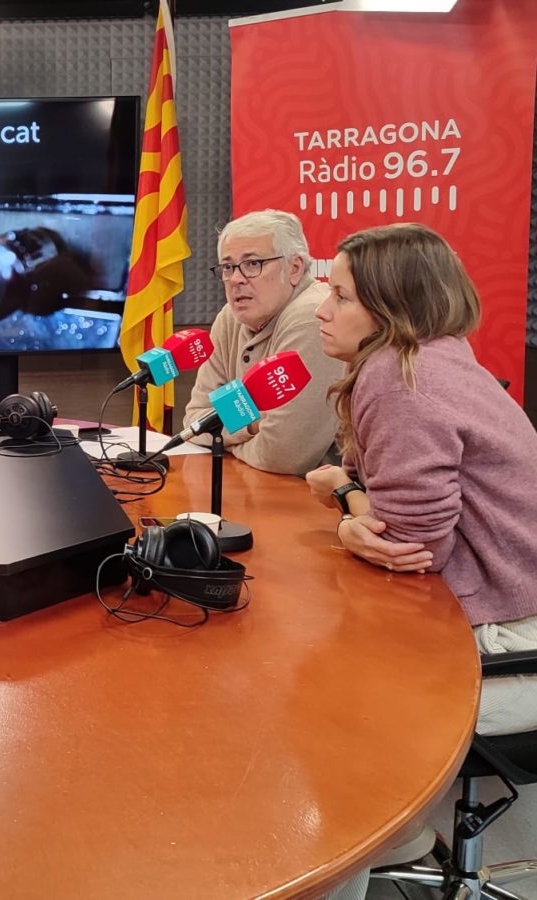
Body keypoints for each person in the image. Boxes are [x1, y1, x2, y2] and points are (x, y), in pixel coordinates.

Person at [305, 223, 537, 900]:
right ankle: (398, 835)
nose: (322, 310)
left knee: (325, 703)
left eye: (341, 297)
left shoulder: (399, 376)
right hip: (510, 611)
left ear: (392, 309)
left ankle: (357, 851)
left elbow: (411, 548)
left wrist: (346, 501)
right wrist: (353, 500)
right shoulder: (438, 355)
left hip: (512, 643)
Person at [183, 210, 345, 476]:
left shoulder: (313, 317)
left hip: (316, 495)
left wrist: (225, 439)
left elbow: (283, 456)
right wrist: (253, 425)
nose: (236, 279)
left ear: (294, 268)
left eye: (253, 264)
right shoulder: (231, 317)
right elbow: (196, 421)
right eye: (228, 267)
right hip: (254, 483)